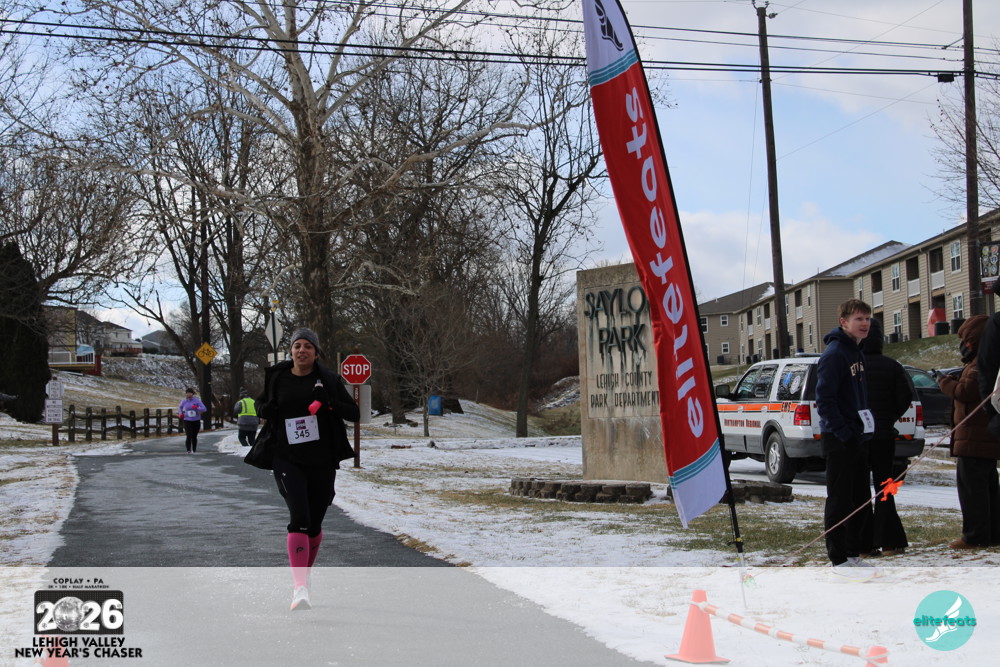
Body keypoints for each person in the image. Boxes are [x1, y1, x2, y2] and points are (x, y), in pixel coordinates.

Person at [256, 327, 360, 611]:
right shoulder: (277, 377)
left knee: (314, 524)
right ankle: (299, 587)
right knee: (299, 518)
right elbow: (260, 403)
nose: (302, 351)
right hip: (286, 457)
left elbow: (354, 413)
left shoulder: (328, 380)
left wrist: (330, 403)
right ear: (291, 351)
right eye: (297, 346)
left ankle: (306, 575)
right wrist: (265, 410)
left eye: (308, 347)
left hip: (321, 459)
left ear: (316, 353)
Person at [815, 299, 875, 572]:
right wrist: (844, 432)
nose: (865, 324)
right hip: (839, 438)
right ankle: (838, 557)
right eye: (859, 319)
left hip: (858, 436)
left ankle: (852, 552)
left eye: (867, 319)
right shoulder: (835, 354)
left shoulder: (858, 353)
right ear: (844, 322)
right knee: (840, 499)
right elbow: (825, 401)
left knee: (860, 497)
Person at [939, 314, 1000, 549]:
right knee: (988, 488)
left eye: (965, 340)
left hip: (975, 438)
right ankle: (993, 533)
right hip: (982, 438)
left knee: (972, 491)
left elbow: (965, 392)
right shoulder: (982, 363)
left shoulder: (978, 366)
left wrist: (944, 382)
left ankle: (975, 536)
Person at [860, 318, 912, 557]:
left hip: (859, 436)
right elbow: (905, 397)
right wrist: (890, 417)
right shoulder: (893, 366)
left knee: (860, 489)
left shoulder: (853, 366)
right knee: (885, 488)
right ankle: (890, 541)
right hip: (883, 435)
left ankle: (863, 544)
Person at [178, 387, 207, 454]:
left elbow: (204, 409)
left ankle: (194, 450)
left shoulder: (197, 401)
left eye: (190, 393)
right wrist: (180, 413)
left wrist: (197, 408)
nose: (189, 395)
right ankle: (188, 450)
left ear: (192, 394)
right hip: (187, 420)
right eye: (187, 393)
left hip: (196, 420)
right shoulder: (184, 401)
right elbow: (180, 407)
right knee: (188, 435)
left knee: (194, 436)